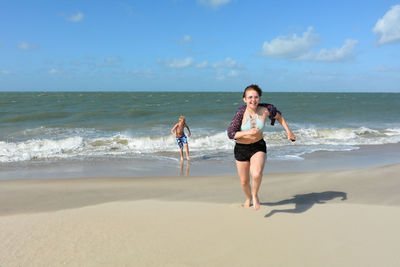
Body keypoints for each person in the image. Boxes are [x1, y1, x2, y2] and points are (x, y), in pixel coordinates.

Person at [227, 84, 296, 210]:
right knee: (244, 181)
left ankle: (255, 195)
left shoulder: (266, 109)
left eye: (256, 97)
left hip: (258, 146)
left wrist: (289, 132)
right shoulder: (240, 113)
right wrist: (248, 132)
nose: (253, 100)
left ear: (259, 98)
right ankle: (248, 198)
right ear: (244, 99)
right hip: (241, 149)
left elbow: (279, 118)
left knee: (257, 173)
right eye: (250, 97)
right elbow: (231, 133)